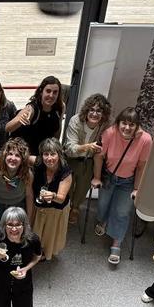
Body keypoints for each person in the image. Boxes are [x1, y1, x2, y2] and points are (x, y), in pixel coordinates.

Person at [91, 106, 152, 265]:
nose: (127, 128)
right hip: (109, 176)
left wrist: (136, 188)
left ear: (137, 126)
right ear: (118, 123)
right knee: (103, 205)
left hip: (128, 181)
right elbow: (99, 156)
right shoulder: (110, 133)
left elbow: (141, 166)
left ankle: (116, 243)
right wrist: (96, 178)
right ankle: (103, 221)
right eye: (124, 123)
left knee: (122, 212)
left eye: (132, 124)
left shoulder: (145, 140)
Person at [63, 93, 110, 224]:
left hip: (89, 161)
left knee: (83, 188)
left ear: (104, 113)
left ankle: (75, 208)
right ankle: (66, 208)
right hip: (71, 159)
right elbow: (70, 148)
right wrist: (87, 147)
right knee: (67, 187)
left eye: (99, 111)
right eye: (91, 110)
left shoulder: (105, 125)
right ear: (86, 110)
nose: (94, 114)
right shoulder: (76, 121)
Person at [0, 138, 34, 250]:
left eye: (17, 156)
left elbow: (29, 195)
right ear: (4, 155)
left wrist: (29, 217)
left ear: (23, 159)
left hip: (17, 204)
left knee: (14, 230)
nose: (13, 158)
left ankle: (11, 249)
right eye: (10, 154)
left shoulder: (27, 174)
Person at [31, 138, 72, 260]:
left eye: (53, 154)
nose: (49, 158)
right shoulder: (38, 162)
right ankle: (35, 249)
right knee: (36, 232)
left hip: (56, 210)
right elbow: (22, 157)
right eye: (46, 154)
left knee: (50, 234)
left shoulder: (65, 171)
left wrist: (53, 195)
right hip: (38, 207)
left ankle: (44, 252)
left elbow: (61, 198)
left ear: (59, 154)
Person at [6, 75, 64, 155]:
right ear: (41, 92)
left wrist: (56, 149)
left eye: (55, 92)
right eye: (48, 91)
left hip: (44, 153)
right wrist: (19, 120)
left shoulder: (60, 107)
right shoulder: (31, 109)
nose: (51, 95)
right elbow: (8, 128)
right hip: (25, 153)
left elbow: (57, 130)